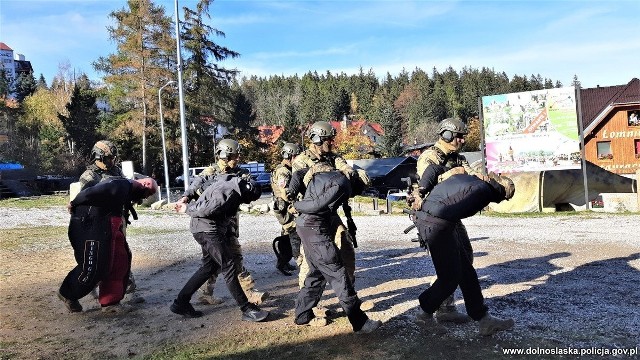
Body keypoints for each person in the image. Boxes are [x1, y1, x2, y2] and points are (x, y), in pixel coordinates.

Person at [413, 165, 515, 336]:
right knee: (450, 278)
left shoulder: (473, 180)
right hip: (436, 224)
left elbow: (442, 191)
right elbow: (446, 210)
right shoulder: (483, 192)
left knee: (466, 271)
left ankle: (483, 319)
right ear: (501, 193)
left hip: (439, 222)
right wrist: (424, 206)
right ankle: (424, 313)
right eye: (504, 198)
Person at [177, 138, 268, 306]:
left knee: (221, 259)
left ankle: (211, 293)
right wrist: (186, 196)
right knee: (228, 257)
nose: (238, 158)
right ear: (225, 155)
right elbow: (195, 185)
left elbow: (251, 186)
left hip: (229, 221)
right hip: (210, 223)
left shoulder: (239, 173)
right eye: (235, 155)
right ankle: (246, 294)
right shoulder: (209, 172)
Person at [290, 167, 381, 333]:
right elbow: (317, 205)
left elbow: (299, 173)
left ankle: (302, 315)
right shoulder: (343, 183)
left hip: (306, 227)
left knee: (316, 274)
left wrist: (291, 192)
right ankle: (360, 323)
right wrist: (295, 204)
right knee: (339, 275)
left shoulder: (328, 173)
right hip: (315, 229)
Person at [171, 175, 269, 322]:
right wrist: (186, 207)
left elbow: (202, 179)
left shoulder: (229, 180)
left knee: (209, 267)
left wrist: (186, 196)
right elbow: (205, 209)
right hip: (208, 231)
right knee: (228, 266)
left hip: (205, 229)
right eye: (248, 199)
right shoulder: (229, 193)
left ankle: (181, 303)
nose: (246, 202)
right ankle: (246, 309)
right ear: (247, 191)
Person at [57, 177, 157, 313]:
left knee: (119, 261)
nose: (146, 197)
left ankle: (111, 302)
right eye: (148, 193)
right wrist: (74, 203)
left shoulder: (125, 189)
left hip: (107, 226)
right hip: (90, 225)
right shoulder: (119, 184)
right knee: (95, 266)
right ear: (145, 184)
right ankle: (68, 294)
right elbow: (92, 192)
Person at [411, 117, 476, 324]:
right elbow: (429, 184)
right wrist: (453, 174)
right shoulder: (429, 157)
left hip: (453, 215)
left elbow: (472, 175)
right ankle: (434, 307)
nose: (463, 141)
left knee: (466, 256)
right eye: (459, 137)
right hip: (435, 218)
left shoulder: (459, 158)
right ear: (447, 135)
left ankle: (445, 307)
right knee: (450, 268)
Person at [79, 140, 143, 304]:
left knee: (122, 255)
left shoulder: (116, 171)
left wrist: (135, 194)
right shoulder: (89, 176)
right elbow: (86, 200)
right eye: (108, 158)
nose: (111, 161)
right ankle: (82, 288)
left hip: (118, 220)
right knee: (103, 258)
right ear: (98, 156)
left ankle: (126, 287)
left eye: (113, 157)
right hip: (100, 223)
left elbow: (126, 189)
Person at [270, 142, 303, 275]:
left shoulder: (285, 169)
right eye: (296, 156)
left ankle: (283, 262)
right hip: (287, 209)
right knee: (294, 235)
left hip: (286, 209)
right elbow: (285, 193)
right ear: (290, 156)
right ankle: (300, 262)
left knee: (286, 237)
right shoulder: (283, 172)